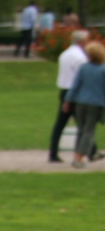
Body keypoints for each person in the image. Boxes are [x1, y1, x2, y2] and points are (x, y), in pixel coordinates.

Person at [51, 29, 90, 162]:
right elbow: (81, 76)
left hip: (64, 90)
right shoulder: (80, 57)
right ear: (81, 41)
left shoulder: (65, 54)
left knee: (61, 123)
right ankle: (88, 151)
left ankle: (53, 152)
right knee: (82, 123)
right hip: (74, 92)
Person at [64, 40, 105, 165]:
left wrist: (67, 100)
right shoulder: (102, 70)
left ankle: (78, 156)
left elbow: (75, 85)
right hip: (96, 104)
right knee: (88, 132)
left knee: (82, 130)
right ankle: (78, 158)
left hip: (80, 103)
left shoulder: (83, 68)